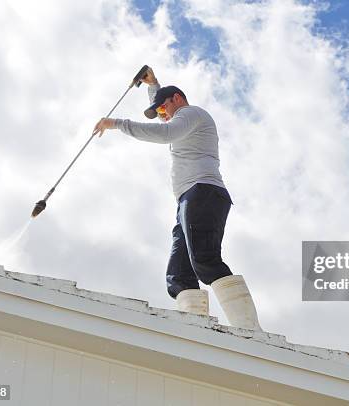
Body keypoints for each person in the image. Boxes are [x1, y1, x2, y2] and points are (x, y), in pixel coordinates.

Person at [93, 67, 262, 331]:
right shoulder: (179, 116)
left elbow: (165, 133)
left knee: (205, 260)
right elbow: (164, 120)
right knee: (179, 275)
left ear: (178, 99)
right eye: (159, 112)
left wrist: (116, 123)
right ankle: (196, 330)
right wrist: (154, 85)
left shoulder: (191, 114)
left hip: (203, 192)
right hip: (188, 200)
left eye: (164, 109)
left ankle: (251, 331)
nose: (163, 115)